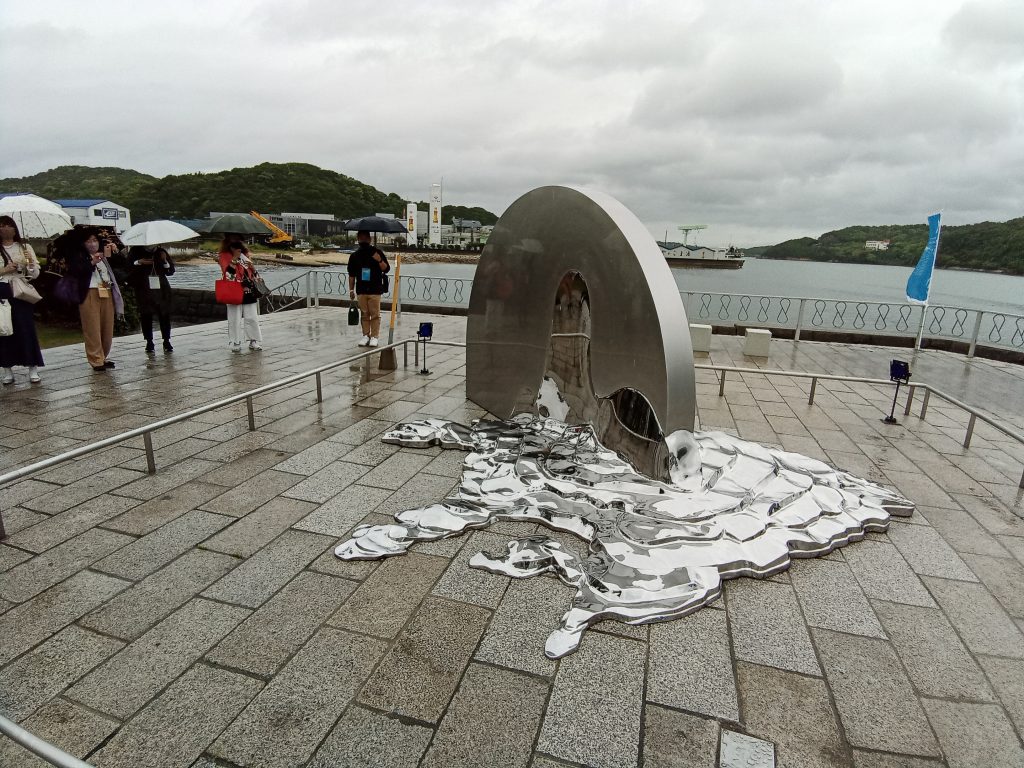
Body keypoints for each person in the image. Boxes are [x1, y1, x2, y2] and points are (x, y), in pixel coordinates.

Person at [66, 229, 125, 371]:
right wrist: (92, 262)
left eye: (95, 240)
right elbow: (76, 272)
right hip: (89, 292)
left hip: (106, 291)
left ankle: (103, 356)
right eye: (88, 241)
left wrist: (115, 252)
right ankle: (96, 359)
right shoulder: (79, 257)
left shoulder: (104, 256)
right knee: (92, 327)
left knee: (107, 326)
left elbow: (123, 266)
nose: (92, 244)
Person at [0, 215, 44, 384]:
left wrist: (30, 264)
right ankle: (7, 369)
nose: (5, 229)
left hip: (20, 290)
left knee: (25, 328)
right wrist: (5, 270)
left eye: (8, 225)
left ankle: (32, 367)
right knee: (4, 329)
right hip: (2, 290)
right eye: (1, 226)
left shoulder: (25, 247)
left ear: (14, 228)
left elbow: (35, 274)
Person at [126, 245, 175, 354]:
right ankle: (149, 341)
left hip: (161, 287)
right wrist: (139, 262)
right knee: (146, 314)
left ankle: (166, 340)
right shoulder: (136, 251)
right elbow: (127, 267)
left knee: (164, 314)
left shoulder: (161, 251)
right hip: (143, 287)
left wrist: (164, 260)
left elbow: (170, 271)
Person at [346, 230, 390, 347]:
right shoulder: (354, 256)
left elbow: (386, 269)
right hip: (361, 289)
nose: (363, 240)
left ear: (370, 239)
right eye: (361, 238)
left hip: (375, 288)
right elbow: (351, 274)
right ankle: (366, 335)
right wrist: (351, 290)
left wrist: (379, 260)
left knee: (375, 314)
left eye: (366, 238)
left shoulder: (377, 252)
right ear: (358, 239)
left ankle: (375, 336)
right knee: (364, 313)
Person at [218, 238, 263, 352]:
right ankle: (235, 341)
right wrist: (234, 259)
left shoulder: (245, 255)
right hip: (233, 291)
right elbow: (228, 276)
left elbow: (254, 275)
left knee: (252, 318)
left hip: (249, 291)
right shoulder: (224, 256)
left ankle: (253, 340)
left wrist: (252, 267)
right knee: (234, 318)